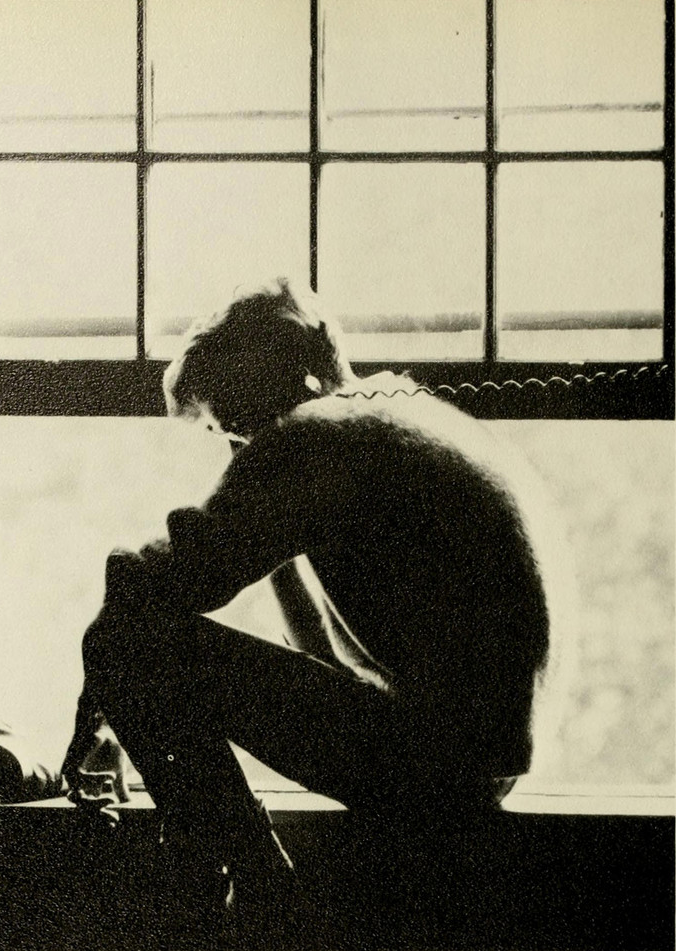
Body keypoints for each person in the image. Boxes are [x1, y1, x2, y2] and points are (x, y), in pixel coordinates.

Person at [56, 277, 567, 923]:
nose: (237, 452)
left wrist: (102, 709)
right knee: (133, 635)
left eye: (236, 422)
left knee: (121, 640)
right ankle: (238, 868)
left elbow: (148, 581)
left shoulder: (315, 436)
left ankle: (255, 887)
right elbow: (318, 650)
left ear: (293, 384)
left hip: (439, 765)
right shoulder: (398, 413)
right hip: (485, 762)